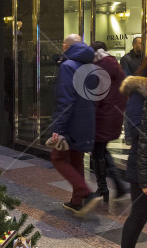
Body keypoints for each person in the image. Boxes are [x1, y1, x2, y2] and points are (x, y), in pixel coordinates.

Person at [50, 34, 101, 216]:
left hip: (71, 122)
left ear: (66, 46)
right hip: (86, 120)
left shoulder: (67, 66)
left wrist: (59, 128)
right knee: (76, 159)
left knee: (58, 158)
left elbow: (66, 99)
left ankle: (84, 192)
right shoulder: (90, 66)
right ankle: (76, 202)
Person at [118, 54, 147, 248]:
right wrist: (145, 179)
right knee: (140, 214)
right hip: (143, 164)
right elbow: (139, 133)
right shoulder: (140, 91)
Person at [90, 41, 127, 205]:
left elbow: (96, 95)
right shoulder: (114, 64)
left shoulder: (101, 67)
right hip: (113, 115)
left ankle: (103, 188)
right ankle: (118, 186)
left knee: (98, 151)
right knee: (102, 151)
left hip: (102, 116)